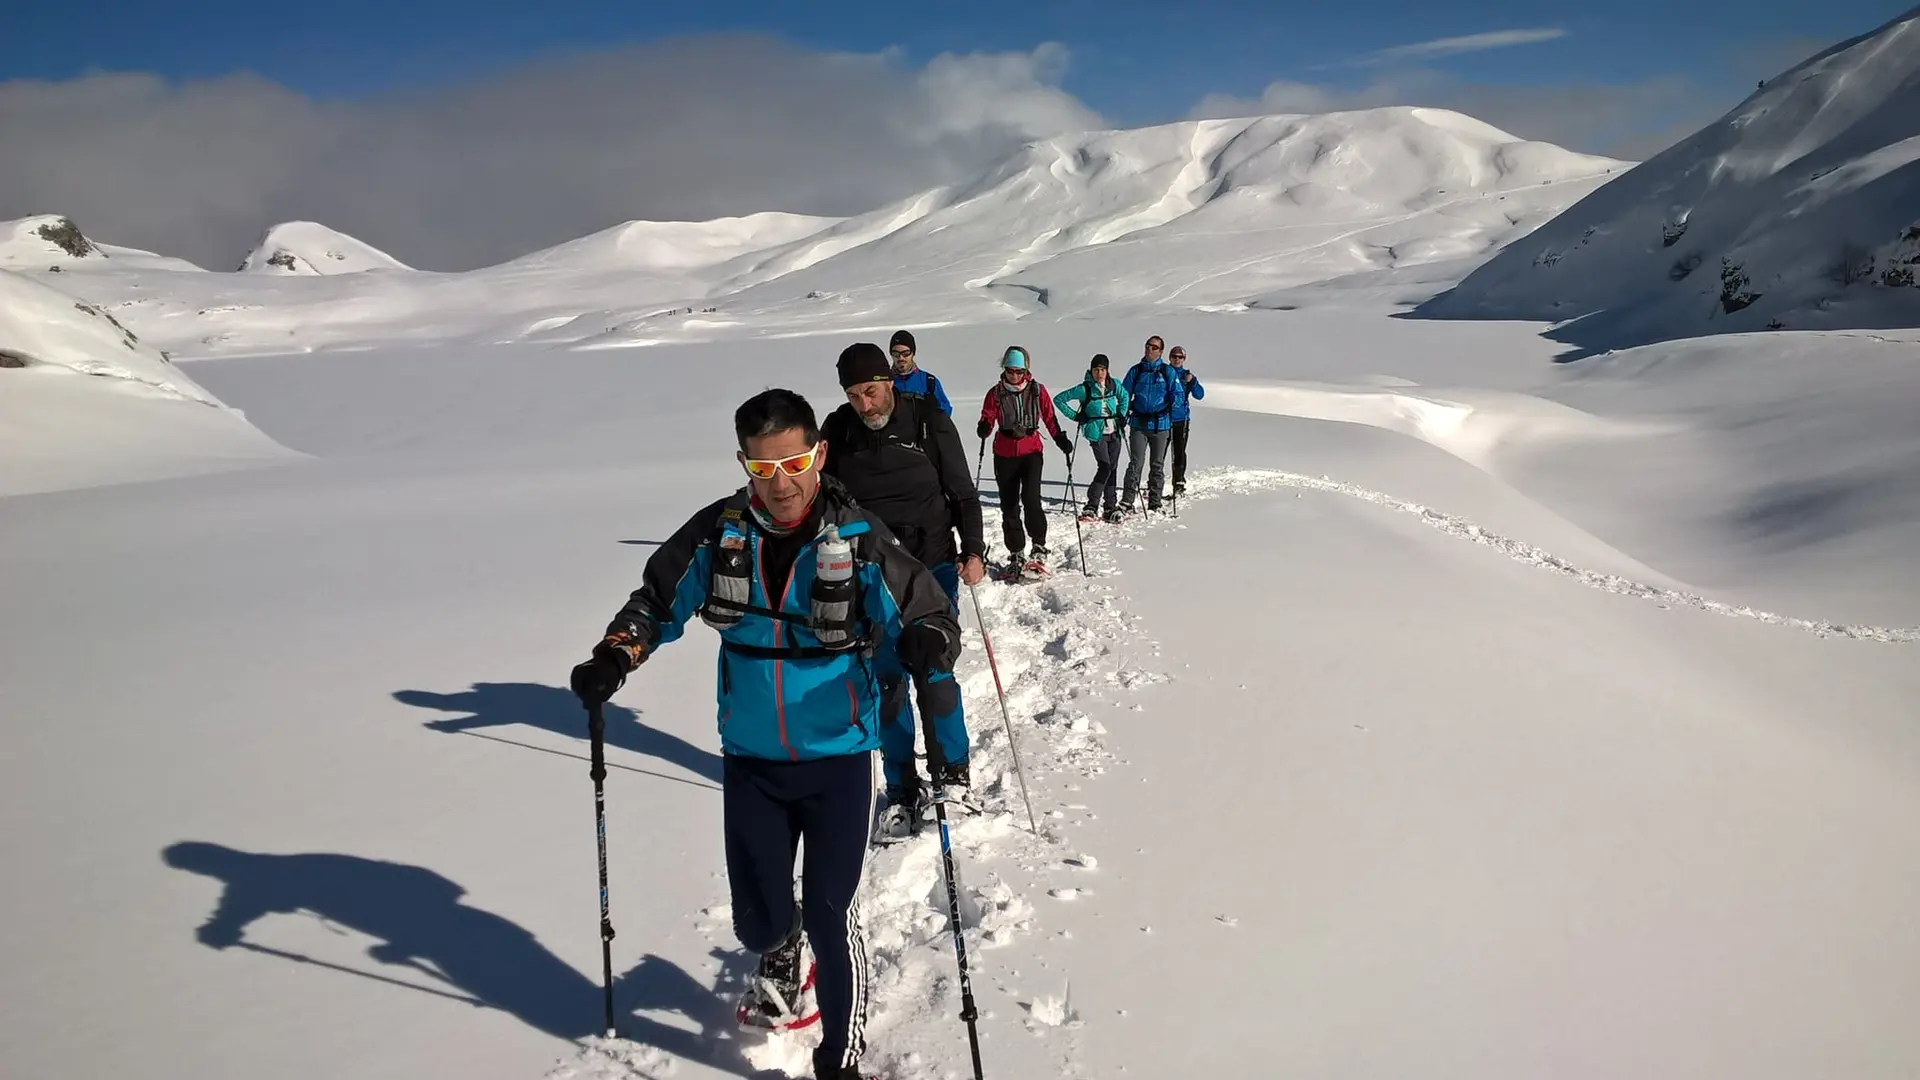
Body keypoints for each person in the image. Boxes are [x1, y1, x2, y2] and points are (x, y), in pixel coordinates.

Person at [568, 389, 962, 1080]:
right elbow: (658, 599)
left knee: (829, 913)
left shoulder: (859, 537)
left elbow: (920, 604)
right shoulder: (720, 533)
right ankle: (780, 949)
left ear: (820, 455)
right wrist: (616, 653)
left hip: (837, 757)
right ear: (744, 465)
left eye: (795, 462)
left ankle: (837, 1057)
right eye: (762, 468)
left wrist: (929, 641)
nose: (781, 483)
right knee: (758, 922)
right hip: (751, 761)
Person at [822, 341, 986, 831]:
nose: (864, 405)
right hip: (870, 578)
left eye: (870, 392)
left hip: (931, 568)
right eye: (854, 396)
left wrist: (973, 551)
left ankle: (952, 775)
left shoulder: (927, 420)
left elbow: (962, 491)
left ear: (888, 382)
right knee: (887, 683)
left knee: (934, 672)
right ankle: (900, 784)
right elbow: (825, 500)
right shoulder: (839, 431)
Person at [976, 345, 1072, 577]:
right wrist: (985, 426)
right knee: (1009, 505)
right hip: (1004, 454)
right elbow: (988, 415)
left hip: (1031, 452)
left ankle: (1038, 545)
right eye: (1011, 371)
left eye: (1019, 371)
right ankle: (1016, 551)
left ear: (1026, 370)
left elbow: (1049, 416)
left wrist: (1059, 438)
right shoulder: (995, 393)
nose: (1015, 376)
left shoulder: (1037, 390)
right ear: (1004, 370)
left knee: (1031, 498)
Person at [1052, 353, 1130, 523]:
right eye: (1096, 369)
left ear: (1107, 370)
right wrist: (1076, 416)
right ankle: (1092, 505)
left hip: (1115, 432)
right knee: (1105, 466)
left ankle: (1110, 506)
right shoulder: (1085, 388)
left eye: (1102, 369)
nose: (1099, 373)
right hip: (1096, 432)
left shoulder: (1114, 385)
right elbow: (1059, 400)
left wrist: (1122, 415)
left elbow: (1124, 398)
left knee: (1113, 468)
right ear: (1091, 370)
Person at [1119, 334, 1178, 514]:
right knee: (1136, 463)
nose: (1149, 349)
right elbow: (1124, 394)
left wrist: (1172, 408)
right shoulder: (1135, 371)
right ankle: (1128, 500)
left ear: (1160, 351)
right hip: (1138, 423)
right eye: (1147, 346)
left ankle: (1155, 500)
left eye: (1153, 347)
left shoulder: (1168, 372)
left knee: (1157, 464)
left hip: (1161, 424)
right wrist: (1123, 413)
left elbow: (1177, 394)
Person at [1167, 344, 1205, 496]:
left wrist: (1193, 382)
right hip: (1163, 418)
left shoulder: (1186, 375)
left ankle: (1179, 482)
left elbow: (1200, 395)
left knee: (1179, 452)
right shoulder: (1164, 372)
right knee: (1160, 453)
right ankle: (1154, 484)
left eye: (1180, 357)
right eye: (1174, 356)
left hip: (1181, 419)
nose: (1177, 359)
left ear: (1184, 359)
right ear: (1170, 358)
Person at [888, 330, 952, 416]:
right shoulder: (885, 382)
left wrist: (934, 410)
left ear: (913, 353)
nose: (901, 358)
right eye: (896, 354)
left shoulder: (929, 382)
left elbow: (946, 411)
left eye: (906, 353)